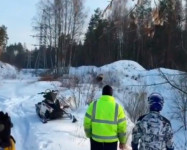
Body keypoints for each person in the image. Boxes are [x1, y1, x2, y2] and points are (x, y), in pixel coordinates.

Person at [84, 85, 127, 150]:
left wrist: (89, 134)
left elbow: (87, 122)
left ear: (102, 94)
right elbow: (122, 127)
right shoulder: (118, 107)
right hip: (111, 143)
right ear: (111, 94)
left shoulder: (93, 105)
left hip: (95, 141)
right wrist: (122, 141)